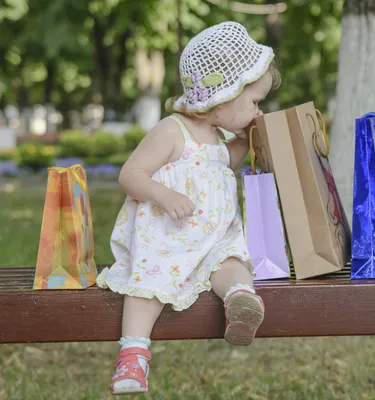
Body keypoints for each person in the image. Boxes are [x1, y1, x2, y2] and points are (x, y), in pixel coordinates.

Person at [96, 21, 281, 395]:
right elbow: (130, 174)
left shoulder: (218, 136)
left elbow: (220, 164)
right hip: (168, 240)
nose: (257, 111)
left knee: (231, 263)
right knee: (146, 285)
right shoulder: (171, 130)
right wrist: (164, 196)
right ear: (224, 96)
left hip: (212, 239)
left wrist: (243, 143)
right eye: (254, 102)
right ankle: (133, 355)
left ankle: (240, 300)